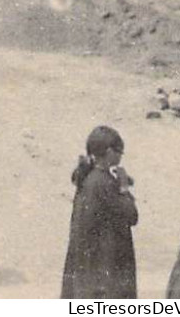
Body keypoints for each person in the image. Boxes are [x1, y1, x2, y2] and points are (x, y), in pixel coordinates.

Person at [61, 125, 139, 298]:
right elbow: (131, 216)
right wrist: (124, 186)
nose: (120, 156)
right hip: (105, 269)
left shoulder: (87, 178)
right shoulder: (104, 183)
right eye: (120, 151)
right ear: (110, 152)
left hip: (87, 266)